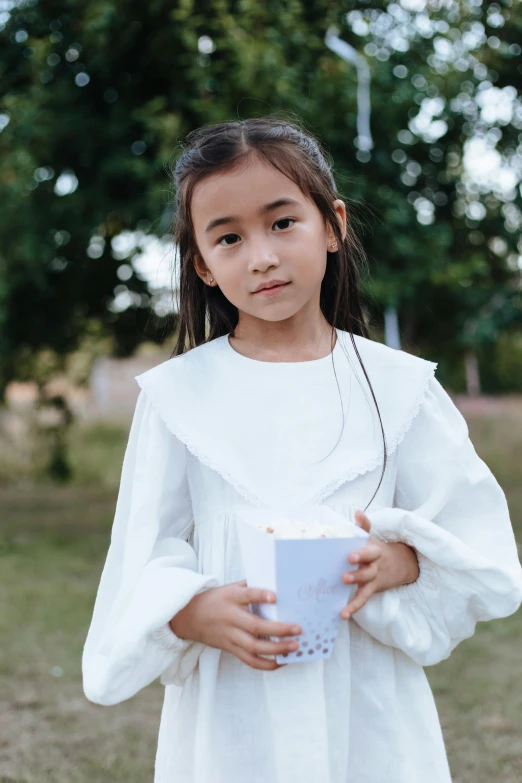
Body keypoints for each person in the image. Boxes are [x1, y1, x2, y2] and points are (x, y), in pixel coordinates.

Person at [82, 117, 522, 783]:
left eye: (282, 222)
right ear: (202, 262)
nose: (260, 255)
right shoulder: (177, 396)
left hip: (370, 704)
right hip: (234, 708)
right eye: (228, 236)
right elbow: (145, 552)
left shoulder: (401, 388)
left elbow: (479, 545)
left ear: (332, 224)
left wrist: (403, 560)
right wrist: (189, 608)